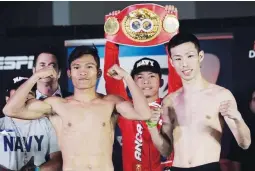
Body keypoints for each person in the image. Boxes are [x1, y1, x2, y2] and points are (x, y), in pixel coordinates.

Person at [3, 45, 152, 171]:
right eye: (76, 67)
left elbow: (143, 113)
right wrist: (35, 77)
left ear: (98, 72)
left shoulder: (110, 102)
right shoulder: (57, 105)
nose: (83, 72)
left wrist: (127, 77)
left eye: (89, 66)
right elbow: (11, 110)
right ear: (69, 73)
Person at [151, 32, 251, 171]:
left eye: (190, 56)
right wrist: (151, 126)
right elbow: (165, 151)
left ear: (200, 56)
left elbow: (245, 143)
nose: (184, 64)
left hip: (207, 167)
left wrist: (238, 119)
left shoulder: (221, 95)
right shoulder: (169, 101)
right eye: (178, 59)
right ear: (172, 62)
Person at [104, 6, 181, 171]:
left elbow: (177, 74)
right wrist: (112, 36)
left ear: (161, 82)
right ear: (132, 82)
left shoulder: (170, 104)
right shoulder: (126, 109)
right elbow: (112, 78)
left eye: (152, 76)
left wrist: (170, 29)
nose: (146, 81)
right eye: (139, 77)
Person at [0, 76, 62, 171]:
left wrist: (36, 170)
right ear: (7, 99)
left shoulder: (47, 123)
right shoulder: (1, 124)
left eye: (29, 92)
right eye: (19, 93)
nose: (25, 96)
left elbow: (57, 161)